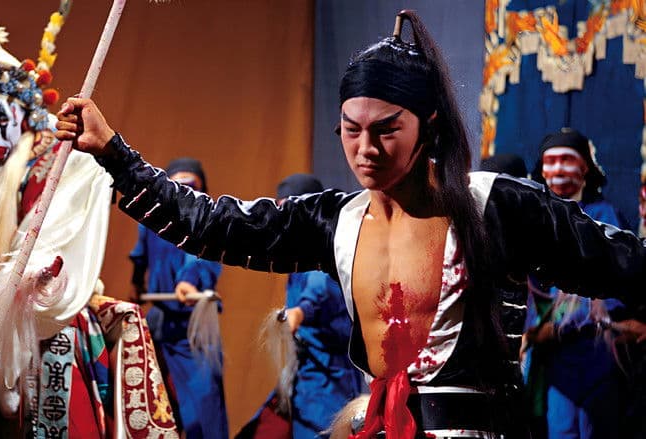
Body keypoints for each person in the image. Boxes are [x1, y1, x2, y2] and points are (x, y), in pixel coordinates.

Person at [56, 10, 646, 439]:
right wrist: (113, 152)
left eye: (386, 130)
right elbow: (215, 225)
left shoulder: (496, 206)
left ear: (429, 124)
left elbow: (624, 262)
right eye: (350, 129)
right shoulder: (336, 219)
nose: (365, 149)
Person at [0, 5, 177, 437]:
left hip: (45, 313)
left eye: (2, 121)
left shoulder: (63, 154)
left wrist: (32, 276)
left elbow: (65, 229)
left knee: (54, 354)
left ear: (25, 115)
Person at [522, 128, 632, 439]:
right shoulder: (537, 218)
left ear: (585, 167)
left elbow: (618, 278)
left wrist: (567, 321)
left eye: (566, 160)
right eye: (551, 161)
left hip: (596, 350)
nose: (558, 170)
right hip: (556, 360)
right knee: (561, 428)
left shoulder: (605, 215)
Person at [236, 174, 364, 439]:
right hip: (305, 372)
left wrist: (300, 311)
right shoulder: (294, 254)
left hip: (328, 375)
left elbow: (320, 290)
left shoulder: (327, 247)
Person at [129, 157, 229, 439]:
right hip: (159, 321)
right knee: (152, 400)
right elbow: (139, 256)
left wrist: (188, 281)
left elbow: (200, 254)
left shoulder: (208, 220)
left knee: (203, 407)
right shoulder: (152, 218)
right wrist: (136, 285)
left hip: (193, 325)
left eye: (192, 188)